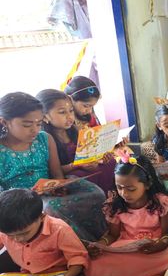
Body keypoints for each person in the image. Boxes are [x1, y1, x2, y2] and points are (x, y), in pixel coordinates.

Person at [0, 92, 106, 241]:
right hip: (19, 202)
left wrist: (59, 186)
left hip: (50, 189)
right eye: (27, 125)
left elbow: (56, 173)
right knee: (52, 208)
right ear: (5, 122)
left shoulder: (44, 138)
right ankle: (83, 244)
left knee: (95, 193)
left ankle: (103, 236)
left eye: (38, 123)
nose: (35, 130)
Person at [85, 155, 168, 276]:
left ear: (147, 184)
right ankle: (153, 275)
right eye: (119, 187)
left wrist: (160, 245)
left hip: (157, 245)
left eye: (131, 189)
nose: (124, 193)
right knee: (96, 263)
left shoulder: (161, 202)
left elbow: (167, 234)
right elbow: (112, 235)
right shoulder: (115, 205)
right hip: (128, 243)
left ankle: (150, 275)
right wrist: (100, 245)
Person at [0, 189, 90, 276]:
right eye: (10, 235)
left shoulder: (59, 229)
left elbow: (78, 257)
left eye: (24, 233)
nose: (17, 239)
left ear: (41, 217)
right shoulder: (7, 230)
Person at [36, 89, 116, 194]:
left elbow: (89, 156)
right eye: (62, 112)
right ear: (45, 116)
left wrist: (99, 159)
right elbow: (53, 172)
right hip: (69, 173)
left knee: (110, 162)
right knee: (79, 176)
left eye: (71, 110)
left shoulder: (77, 130)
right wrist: (76, 165)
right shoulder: (45, 139)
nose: (69, 117)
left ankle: (111, 200)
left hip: (84, 168)